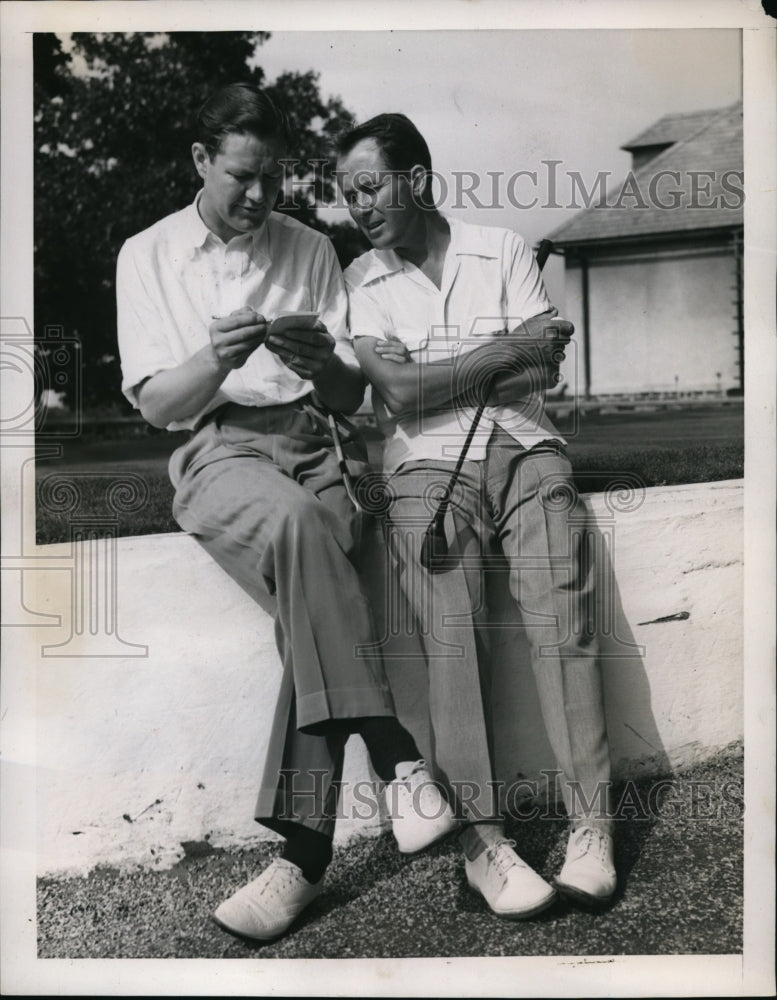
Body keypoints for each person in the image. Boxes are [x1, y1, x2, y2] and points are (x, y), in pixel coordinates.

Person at [116, 86, 458, 943]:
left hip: (315, 444)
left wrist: (320, 361)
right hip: (218, 449)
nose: (261, 197)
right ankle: (396, 756)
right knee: (311, 540)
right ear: (200, 161)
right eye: (242, 178)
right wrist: (212, 360)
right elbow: (160, 405)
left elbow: (347, 395)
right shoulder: (146, 254)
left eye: (273, 179)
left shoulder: (309, 249)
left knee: (315, 619)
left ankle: (298, 865)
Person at [336, 113, 617, 920]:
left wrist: (449, 370)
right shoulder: (360, 281)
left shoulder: (501, 248)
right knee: (448, 630)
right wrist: (499, 353)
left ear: (416, 181)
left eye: (367, 187)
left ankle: (590, 832)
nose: (357, 206)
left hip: (529, 448)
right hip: (427, 467)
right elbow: (400, 395)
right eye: (346, 194)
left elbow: (546, 371)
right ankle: (483, 844)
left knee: (561, 615)